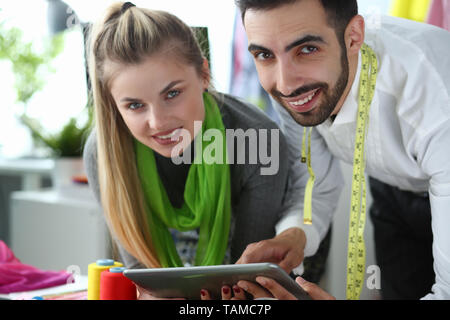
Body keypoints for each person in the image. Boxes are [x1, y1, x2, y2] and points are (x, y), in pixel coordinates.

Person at [83, 2, 343, 299]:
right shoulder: (103, 152)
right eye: (134, 105)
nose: (158, 122)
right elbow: (145, 280)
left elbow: (245, 278)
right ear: (113, 105)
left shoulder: (257, 140)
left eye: (172, 93)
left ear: (204, 74)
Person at [229, 0, 450, 300]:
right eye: (265, 54)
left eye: (307, 49)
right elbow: (315, 184)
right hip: (394, 191)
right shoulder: (295, 89)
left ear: (353, 37)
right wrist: (295, 235)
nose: (284, 83)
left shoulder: (435, 96)